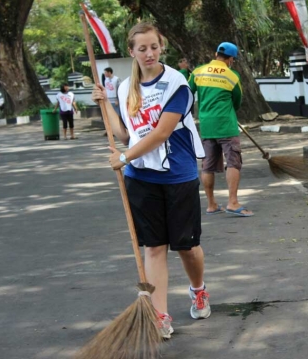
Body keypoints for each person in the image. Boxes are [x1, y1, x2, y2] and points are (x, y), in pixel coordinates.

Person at [91, 22, 210, 339]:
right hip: (141, 178)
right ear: (131, 51)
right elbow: (124, 134)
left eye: (154, 47)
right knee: (154, 248)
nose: (148, 53)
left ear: (162, 47)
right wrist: (105, 103)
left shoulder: (177, 83)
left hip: (178, 175)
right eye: (141, 48)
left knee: (186, 247)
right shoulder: (125, 86)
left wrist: (125, 156)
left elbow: (161, 133)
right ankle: (161, 316)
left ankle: (198, 289)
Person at [189, 42, 253, 217]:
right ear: (231, 59)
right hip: (226, 125)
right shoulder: (232, 76)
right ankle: (232, 202)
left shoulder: (198, 72)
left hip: (207, 125)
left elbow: (187, 93)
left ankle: (211, 204)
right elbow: (237, 101)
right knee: (233, 162)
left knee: (207, 166)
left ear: (216, 54)